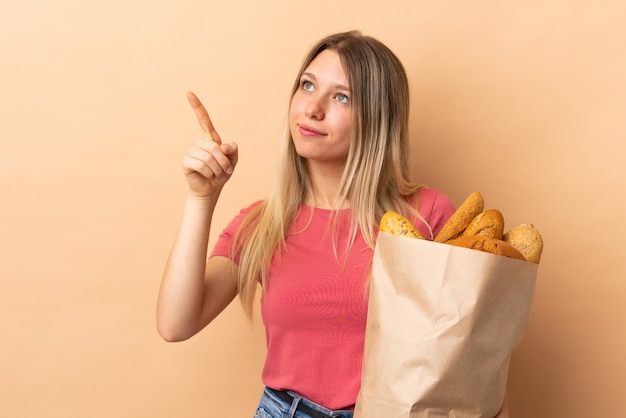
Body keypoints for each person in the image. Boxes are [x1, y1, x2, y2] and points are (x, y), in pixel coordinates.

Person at [157, 30, 510, 418]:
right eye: (307, 86)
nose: (312, 109)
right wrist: (202, 197)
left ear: (377, 116)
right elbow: (176, 324)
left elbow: (476, 358)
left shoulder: (427, 216)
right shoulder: (262, 224)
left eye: (341, 96)